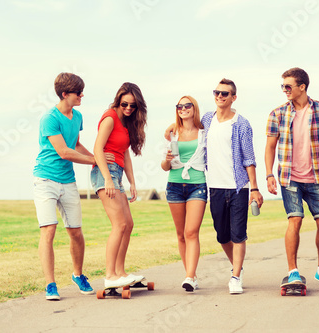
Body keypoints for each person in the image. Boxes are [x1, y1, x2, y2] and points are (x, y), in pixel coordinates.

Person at [165, 79, 263, 294]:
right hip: (215, 187)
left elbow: (249, 158)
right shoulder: (207, 120)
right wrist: (174, 125)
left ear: (233, 97)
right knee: (222, 235)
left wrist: (254, 188)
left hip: (238, 186)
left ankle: (235, 276)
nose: (220, 96)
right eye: (217, 92)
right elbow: (183, 126)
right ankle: (237, 266)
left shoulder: (242, 124)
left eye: (225, 94)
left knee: (238, 234)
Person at [265, 67, 319, 289]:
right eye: (282, 86)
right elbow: (270, 147)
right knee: (295, 220)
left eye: (288, 86)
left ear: (302, 87)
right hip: (289, 177)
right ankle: (293, 272)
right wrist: (269, 174)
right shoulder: (277, 114)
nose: (284, 90)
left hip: (316, 176)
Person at [33, 72, 113, 300]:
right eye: (78, 92)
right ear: (65, 93)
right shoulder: (49, 118)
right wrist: (96, 160)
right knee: (49, 230)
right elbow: (64, 151)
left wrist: (98, 157)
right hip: (45, 180)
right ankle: (50, 284)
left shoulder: (77, 116)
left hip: (67, 181)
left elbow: (76, 144)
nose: (82, 95)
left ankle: (78, 275)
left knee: (76, 232)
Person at [91, 82, 148, 289]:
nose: (128, 108)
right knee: (119, 225)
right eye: (125, 104)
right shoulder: (110, 117)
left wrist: (132, 182)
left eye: (133, 106)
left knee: (128, 224)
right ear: (118, 100)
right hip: (106, 173)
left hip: (118, 174)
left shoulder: (124, 123)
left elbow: (125, 153)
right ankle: (110, 276)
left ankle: (120, 272)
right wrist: (107, 178)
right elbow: (98, 149)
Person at [161, 96, 207, 292]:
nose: (183, 108)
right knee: (181, 234)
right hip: (174, 185)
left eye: (187, 105)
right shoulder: (173, 134)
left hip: (197, 185)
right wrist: (167, 159)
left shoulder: (204, 132)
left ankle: (189, 276)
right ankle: (191, 275)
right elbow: (165, 167)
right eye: (179, 106)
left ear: (194, 108)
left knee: (191, 232)